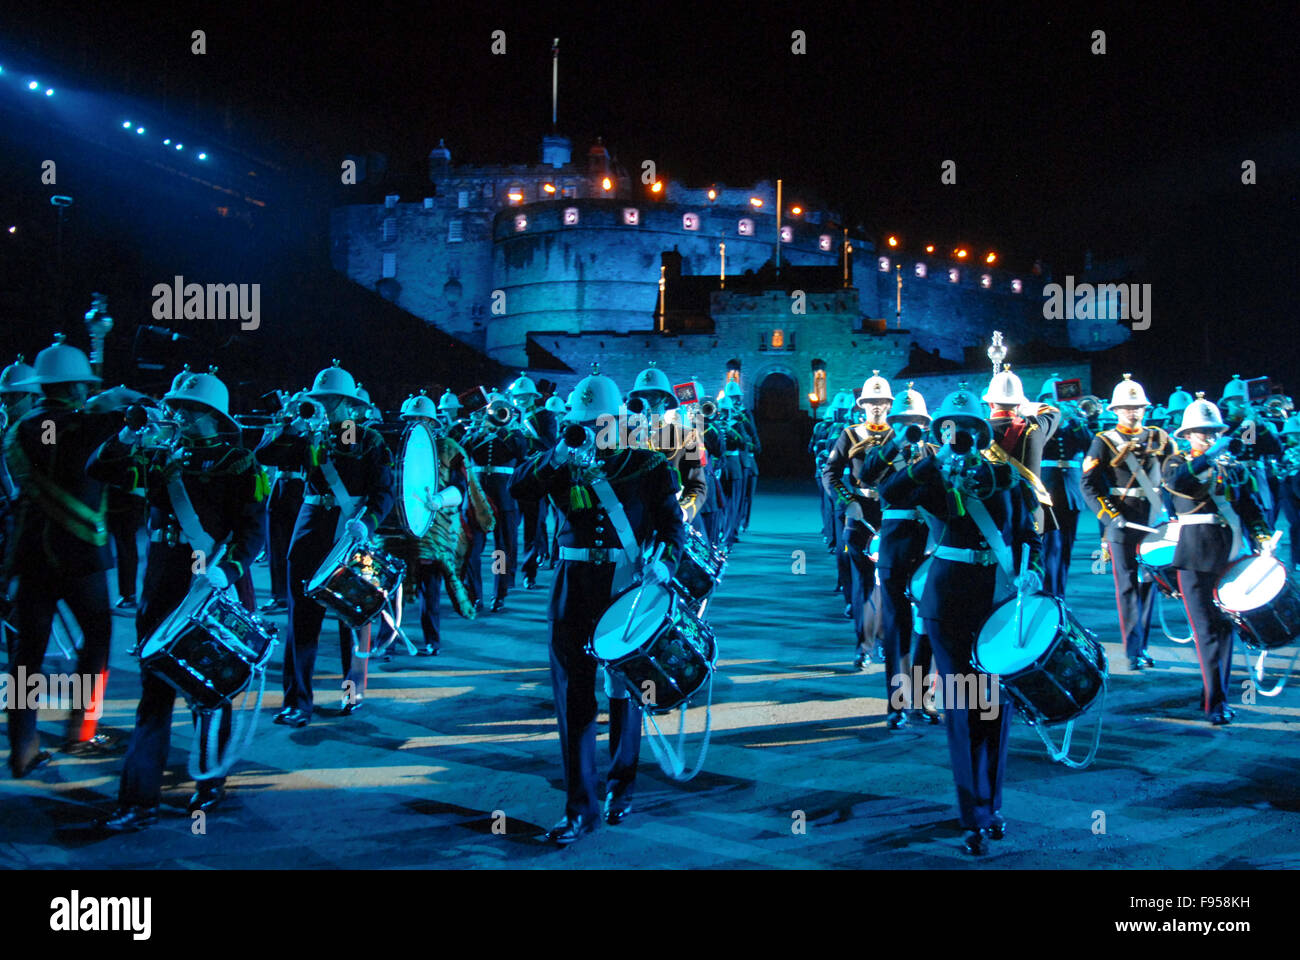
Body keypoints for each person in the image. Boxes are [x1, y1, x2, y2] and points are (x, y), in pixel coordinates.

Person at [510, 366, 685, 845]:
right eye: (584, 422)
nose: (592, 430)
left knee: (624, 690)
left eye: (600, 421)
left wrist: (665, 564)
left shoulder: (648, 465)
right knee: (572, 697)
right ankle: (579, 809)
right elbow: (518, 487)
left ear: (618, 419)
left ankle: (620, 786)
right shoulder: (561, 461)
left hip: (624, 584)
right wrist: (558, 453)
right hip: (573, 584)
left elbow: (674, 528)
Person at [90, 368, 268, 831]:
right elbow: (99, 469)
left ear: (210, 415)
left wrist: (225, 572)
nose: (178, 414)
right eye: (178, 407)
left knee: (212, 688)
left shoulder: (238, 462)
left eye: (188, 409)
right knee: (155, 692)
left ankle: (210, 779)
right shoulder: (160, 457)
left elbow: (251, 534)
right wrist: (129, 431)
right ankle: (137, 799)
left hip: (213, 585)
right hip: (165, 584)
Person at [880, 384, 1043, 855]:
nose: (962, 436)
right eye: (952, 428)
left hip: (997, 596)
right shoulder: (932, 477)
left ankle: (992, 805)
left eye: (970, 428)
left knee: (996, 703)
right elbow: (888, 491)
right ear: (942, 432)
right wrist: (928, 460)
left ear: (981, 431)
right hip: (948, 599)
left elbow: (1028, 530)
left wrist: (1029, 569)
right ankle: (972, 815)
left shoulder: (1003, 476)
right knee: (961, 705)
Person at [3, 336, 119, 776]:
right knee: (98, 639)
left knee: (25, 657)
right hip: (79, 556)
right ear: (73, 388)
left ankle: (24, 744)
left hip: (31, 553)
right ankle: (81, 729)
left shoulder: (21, 428)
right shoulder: (81, 425)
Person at [256, 361, 394, 726]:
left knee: (352, 617)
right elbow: (264, 456)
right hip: (309, 527)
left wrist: (367, 522)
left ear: (350, 404)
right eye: (321, 399)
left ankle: (352, 694)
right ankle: (296, 703)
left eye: (333, 400)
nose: (326, 406)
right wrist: (290, 423)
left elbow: (384, 493)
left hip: (351, 532)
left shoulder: (369, 440)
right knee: (301, 619)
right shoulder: (308, 435)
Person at [1163, 394, 1271, 725]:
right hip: (1195, 559)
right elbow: (1177, 485)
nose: (1207, 437)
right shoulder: (1176, 463)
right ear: (1187, 435)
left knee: (1225, 630)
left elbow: (1251, 508)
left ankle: (1215, 693)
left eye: (1212, 432)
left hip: (1230, 556)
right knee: (1207, 632)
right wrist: (1209, 457)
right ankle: (1216, 701)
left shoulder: (1235, 468)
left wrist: (1264, 540)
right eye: (1200, 432)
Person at [858, 381, 940, 725]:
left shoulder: (936, 451)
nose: (911, 425)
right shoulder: (882, 448)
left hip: (931, 540)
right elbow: (866, 475)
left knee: (928, 622)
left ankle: (924, 697)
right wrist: (895, 444)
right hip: (895, 538)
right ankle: (897, 703)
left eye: (916, 421)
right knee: (897, 622)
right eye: (903, 419)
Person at [1081, 374, 1170, 671]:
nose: (1134, 412)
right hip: (1122, 522)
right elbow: (1089, 485)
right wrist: (1110, 516)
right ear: (1116, 411)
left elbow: (1173, 478)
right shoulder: (1103, 441)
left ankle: (1142, 645)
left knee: (1150, 584)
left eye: (1138, 408)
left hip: (1155, 520)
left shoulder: (1160, 438)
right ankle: (1134, 651)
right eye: (1127, 408)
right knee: (1128, 585)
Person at [822, 372, 892, 673]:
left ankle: (890, 641)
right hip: (860, 513)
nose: (876, 407)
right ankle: (863, 647)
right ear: (862, 405)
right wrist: (846, 500)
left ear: (889, 405)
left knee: (892, 584)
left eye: (881, 402)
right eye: (871, 402)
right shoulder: (850, 435)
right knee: (864, 585)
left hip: (894, 514)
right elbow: (831, 472)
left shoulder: (900, 435)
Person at [461, 392, 530, 612]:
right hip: (477, 497)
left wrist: (504, 430)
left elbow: (521, 451)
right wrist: (478, 429)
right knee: (472, 547)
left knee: (501, 550)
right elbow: (462, 450)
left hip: (504, 497)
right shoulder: (476, 433)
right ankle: (475, 594)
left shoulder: (514, 434)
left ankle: (499, 593)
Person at [1035, 375, 1092, 598]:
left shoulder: (1074, 423)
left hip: (1071, 493)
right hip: (1048, 490)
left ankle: (1061, 595)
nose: (1057, 402)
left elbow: (1089, 446)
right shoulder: (1038, 422)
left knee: (1066, 549)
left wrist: (1075, 419)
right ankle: (1050, 595)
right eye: (1052, 398)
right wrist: (1057, 418)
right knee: (1051, 549)